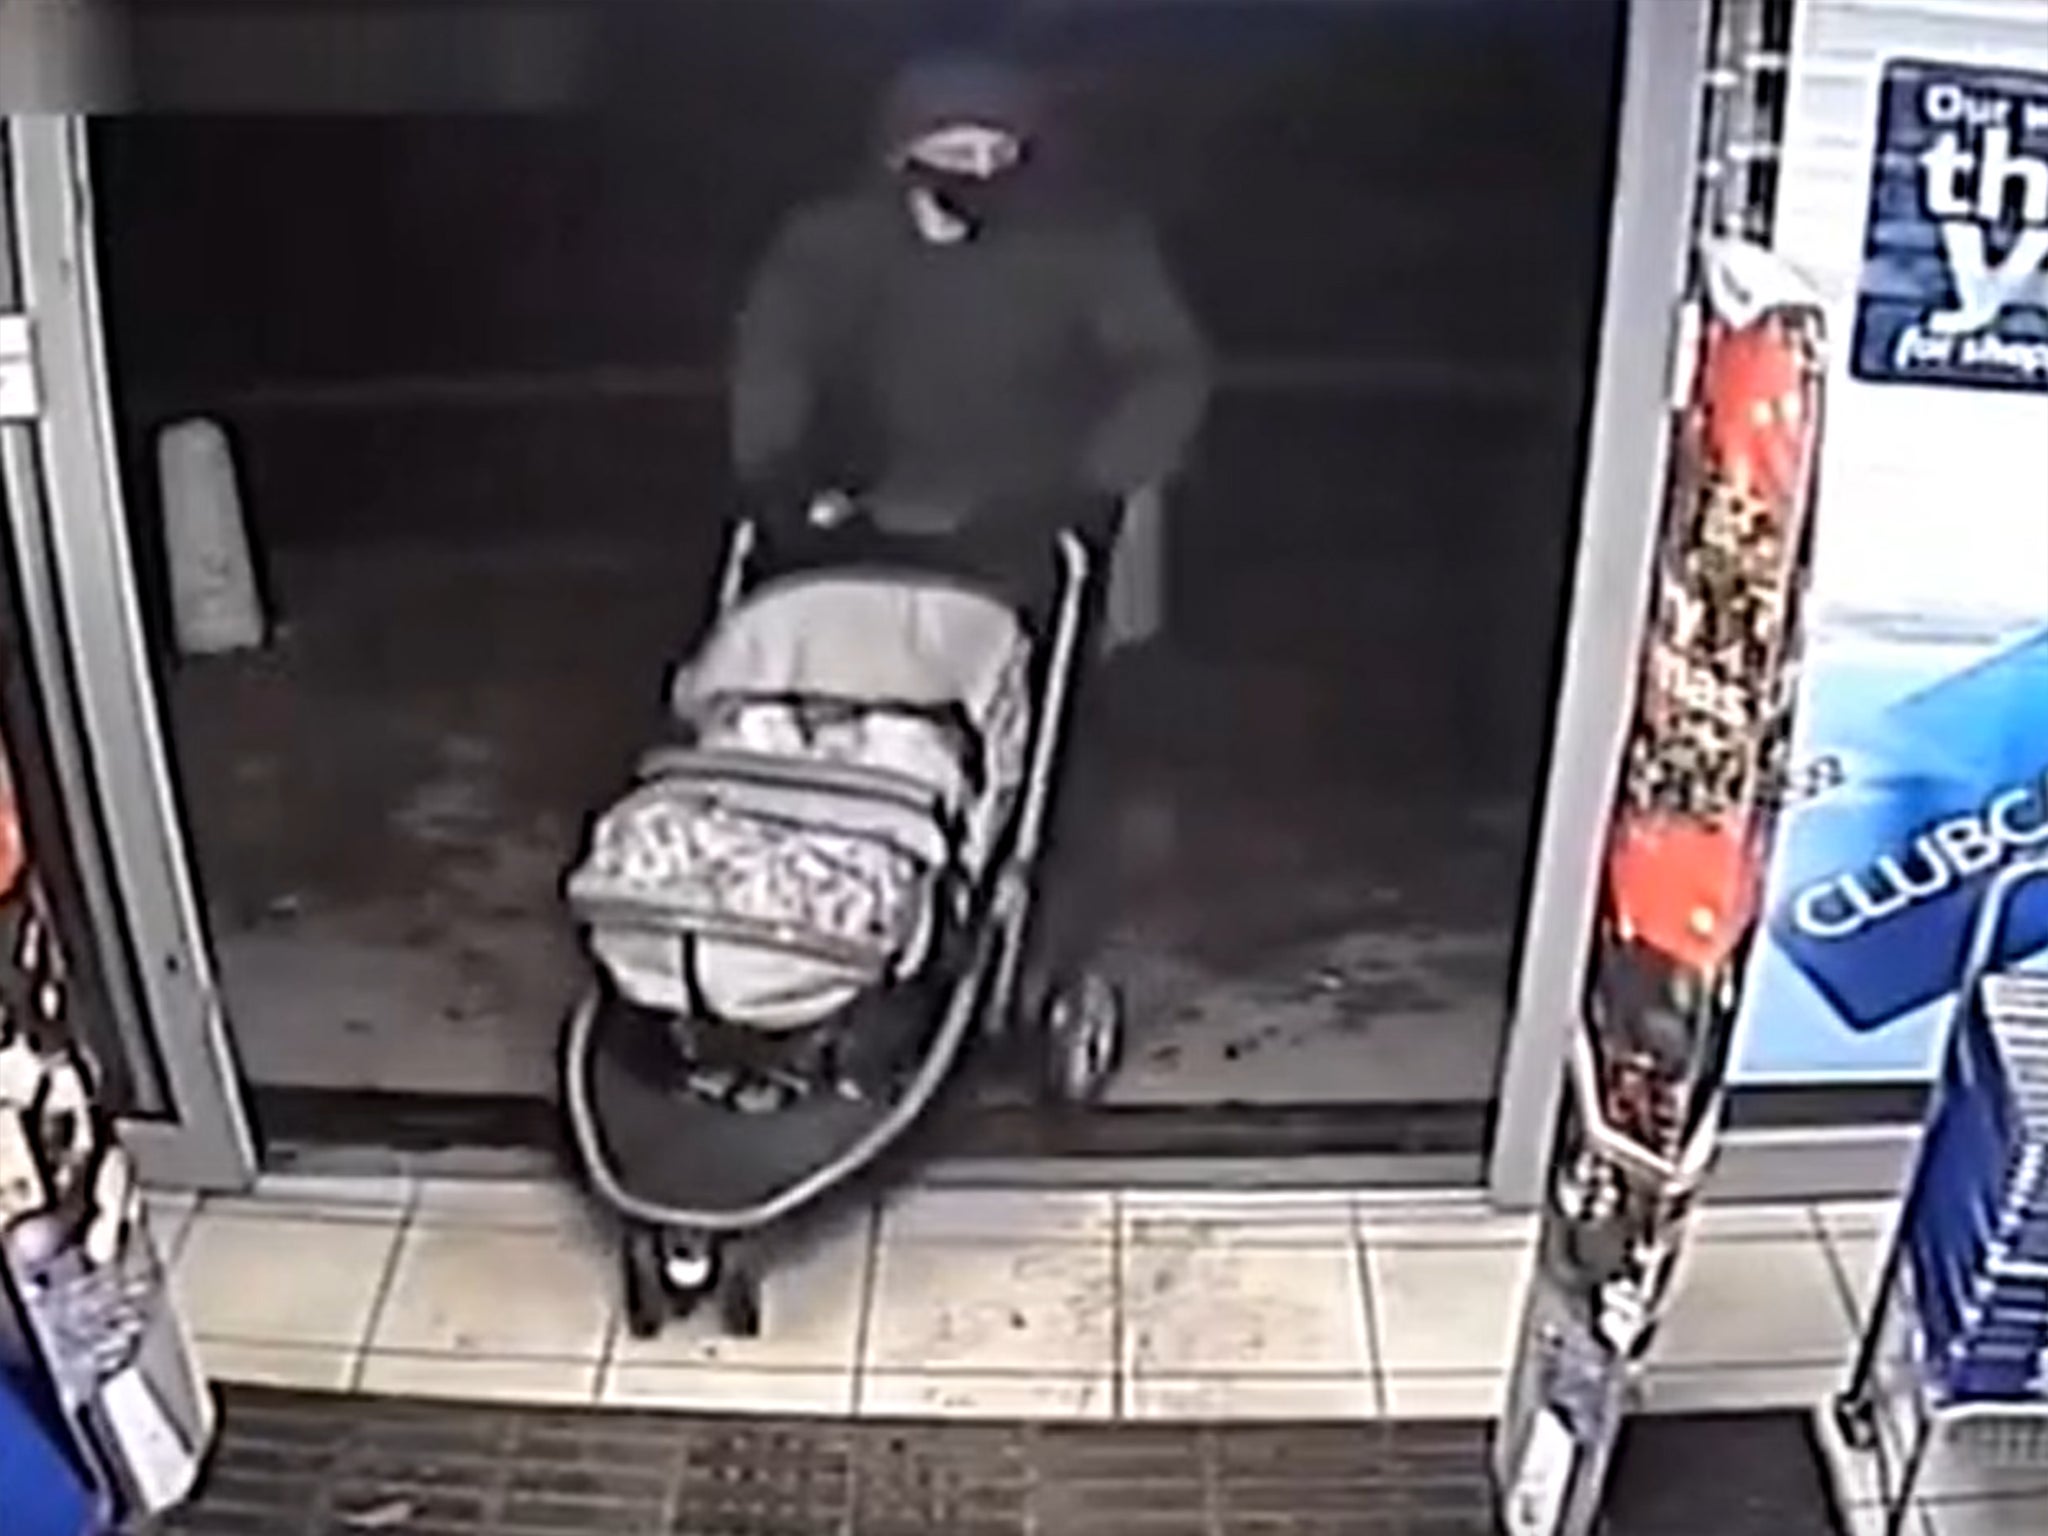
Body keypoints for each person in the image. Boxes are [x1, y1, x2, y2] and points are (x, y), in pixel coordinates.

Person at [728, 51, 1210, 1016]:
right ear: (900, 154)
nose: (976, 167)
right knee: (831, 673)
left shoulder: (1088, 242)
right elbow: (774, 354)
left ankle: (1053, 901)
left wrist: (1095, 479)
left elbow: (1166, 370)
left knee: (1072, 694)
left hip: (1055, 486)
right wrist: (777, 469)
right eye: (952, 147)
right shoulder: (833, 245)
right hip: (890, 485)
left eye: (998, 149)